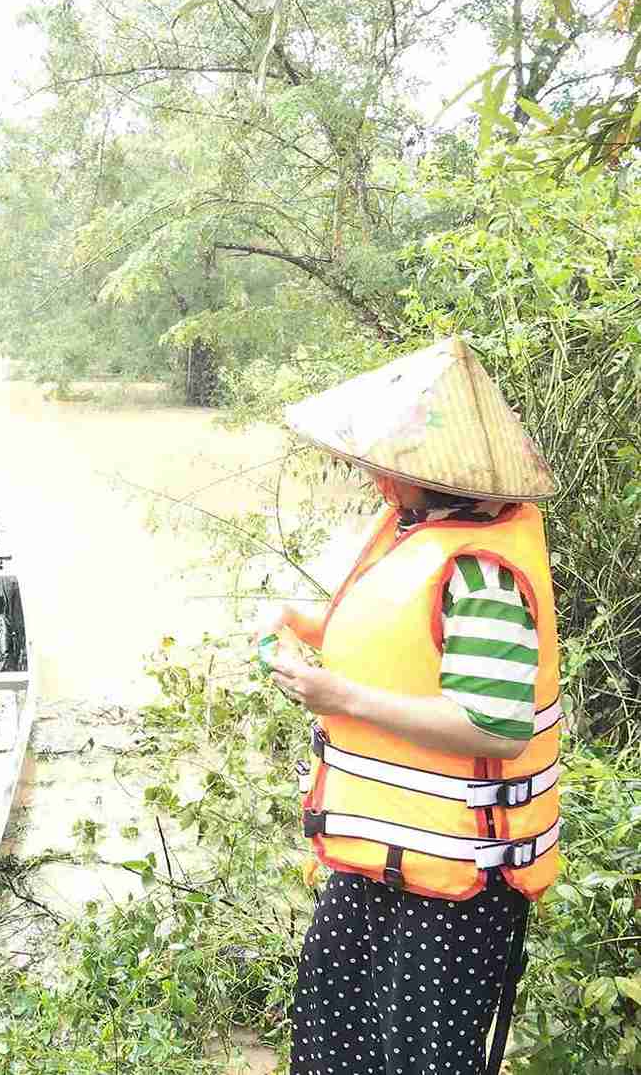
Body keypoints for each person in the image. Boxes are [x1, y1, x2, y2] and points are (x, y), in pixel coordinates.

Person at [265, 338, 561, 1075]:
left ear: (424, 468)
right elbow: (409, 648)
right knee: (332, 1038)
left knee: (420, 1059)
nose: (369, 469)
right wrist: (307, 629)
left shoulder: (481, 571)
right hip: (380, 861)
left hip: (455, 882)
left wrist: (342, 696)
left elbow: (493, 723)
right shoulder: (418, 533)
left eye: (382, 455)